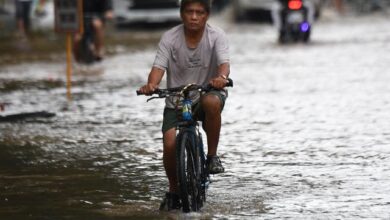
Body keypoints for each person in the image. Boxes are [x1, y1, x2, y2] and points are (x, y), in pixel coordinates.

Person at [138, 0, 231, 211]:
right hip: (177, 100)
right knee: (170, 144)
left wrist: (221, 77)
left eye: (199, 12)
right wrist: (152, 85)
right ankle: (173, 190)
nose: (194, 17)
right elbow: (158, 67)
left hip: (206, 92)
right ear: (181, 14)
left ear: (207, 15)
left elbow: (224, 63)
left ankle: (212, 157)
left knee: (212, 102)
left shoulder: (217, 36)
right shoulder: (170, 37)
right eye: (190, 12)